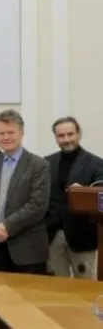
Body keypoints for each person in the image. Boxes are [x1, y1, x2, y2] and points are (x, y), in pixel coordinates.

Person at [0, 109, 49, 274]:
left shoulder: (38, 165)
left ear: (21, 132)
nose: (6, 137)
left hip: (28, 250)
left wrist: (6, 227)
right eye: (1, 133)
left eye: (11, 132)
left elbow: (37, 205)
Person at [44, 116, 103, 279]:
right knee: (55, 288)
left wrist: (84, 191)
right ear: (55, 137)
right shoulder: (46, 162)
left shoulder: (97, 163)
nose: (66, 139)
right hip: (53, 236)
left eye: (70, 134)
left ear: (79, 134)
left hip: (83, 236)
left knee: (85, 288)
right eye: (61, 136)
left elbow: (100, 195)